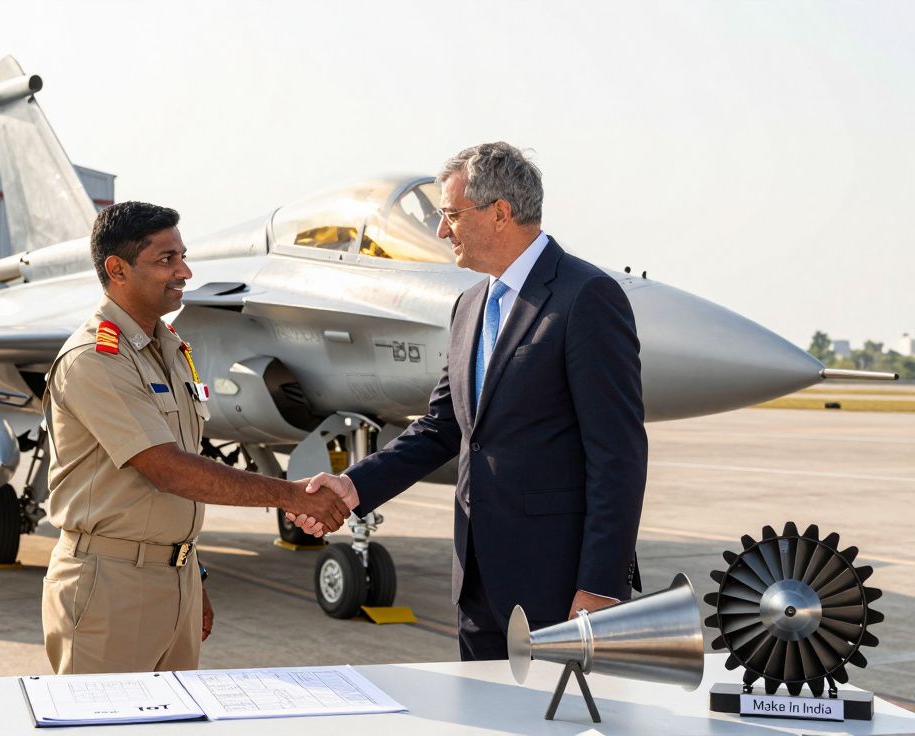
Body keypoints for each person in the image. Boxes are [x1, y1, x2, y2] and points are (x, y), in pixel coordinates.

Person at [294, 143, 647, 661]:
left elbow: (617, 453)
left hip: (560, 590)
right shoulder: (470, 305)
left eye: (452, 215)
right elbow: (442, 427)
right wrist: (353, 486)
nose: (442, 231)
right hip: (476, 582)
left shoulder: (586, 297)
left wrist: (601, 585)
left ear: (500, 213)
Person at [42, 201, 350, 675]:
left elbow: (175, 484)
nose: (184, 271)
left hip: (174, 580)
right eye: (166, 259)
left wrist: (190, 572)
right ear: (117, 269)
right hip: (110, 588)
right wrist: (293, 496)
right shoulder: (96, 357)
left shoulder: (168, 348)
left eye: (182, 256)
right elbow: (168, 470)